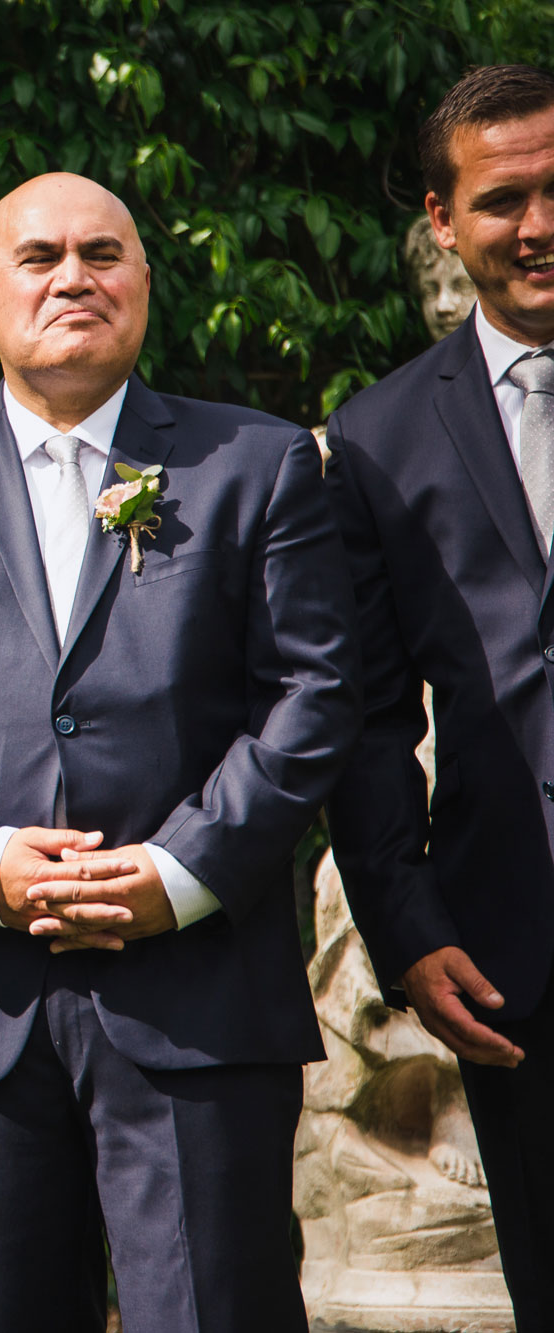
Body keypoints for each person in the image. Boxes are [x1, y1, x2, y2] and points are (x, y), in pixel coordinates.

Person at [0, 174, 360, 1332]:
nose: (71, 276)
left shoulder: (251, 462)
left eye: (101, 254)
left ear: (142, 285)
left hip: (194, 998)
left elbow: (313, 690)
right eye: (37, 257)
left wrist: (178, 871)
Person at [323, 63, 554, 1330]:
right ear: (440, 218)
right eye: (502, 197)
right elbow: (361, 717)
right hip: (516, 948)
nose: (536, 225)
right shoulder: (373, 439)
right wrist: (403, 924)